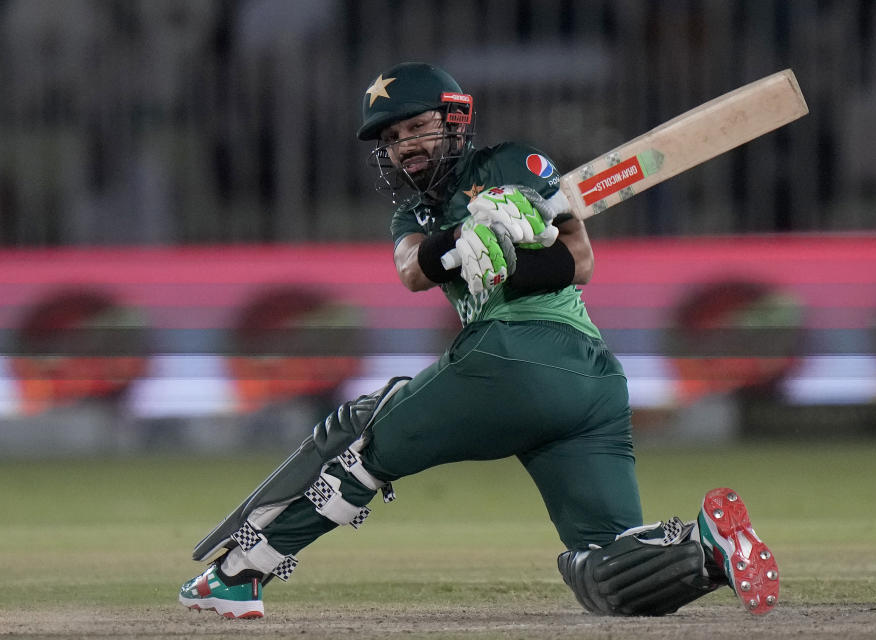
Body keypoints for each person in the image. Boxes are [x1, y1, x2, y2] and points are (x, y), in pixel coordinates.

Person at [178, 61, 780, 619]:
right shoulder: (412, 217)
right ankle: (707, 549)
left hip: (516, 354)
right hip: (590, 387)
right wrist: (462, 239)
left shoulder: (512, 164)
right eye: (391, 138)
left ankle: (240, 572)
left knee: (364, 442)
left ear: (454, 122)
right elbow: (414, 270)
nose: (404, 145)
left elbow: (578, 260)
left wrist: (509, 248)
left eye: (416, 127)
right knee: (603, 571)